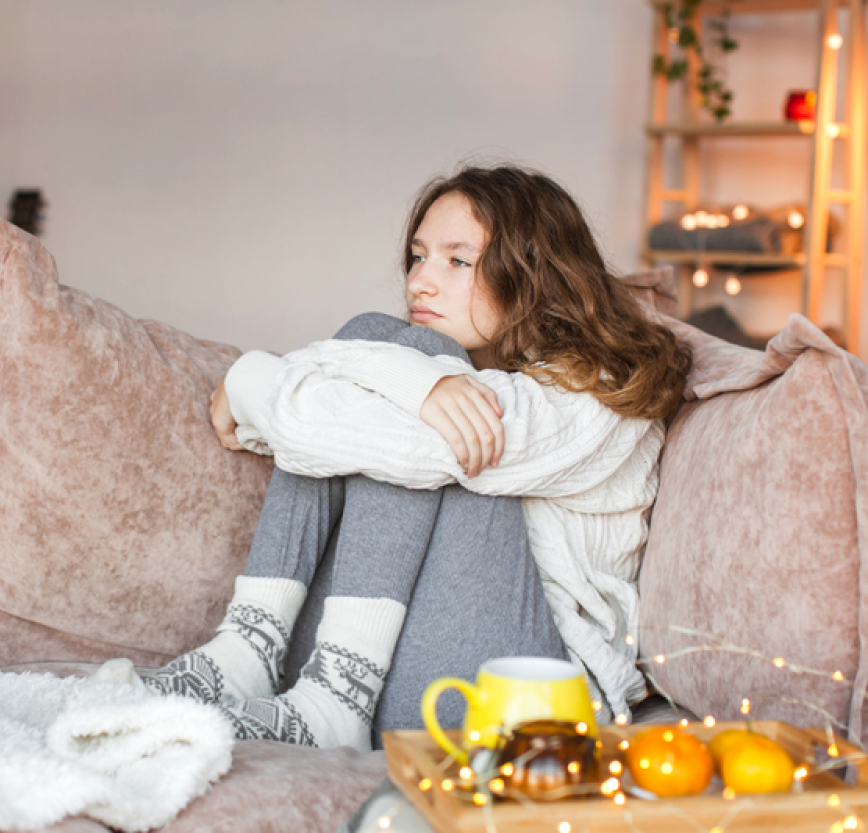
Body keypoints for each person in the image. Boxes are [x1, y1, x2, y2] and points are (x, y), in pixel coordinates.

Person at [100, 164, 692, 752]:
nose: (419, 283)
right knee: (386, 345)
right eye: (418, 256)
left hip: (519, 698)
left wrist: (256, 377)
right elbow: (325, 430)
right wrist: (400, 377)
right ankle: (250, 650)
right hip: (398, 668)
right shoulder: (470, 370)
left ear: (536, 273)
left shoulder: (598, 393)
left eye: (458, 261)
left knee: (409, 381)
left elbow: (372, 439)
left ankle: (331, 695)